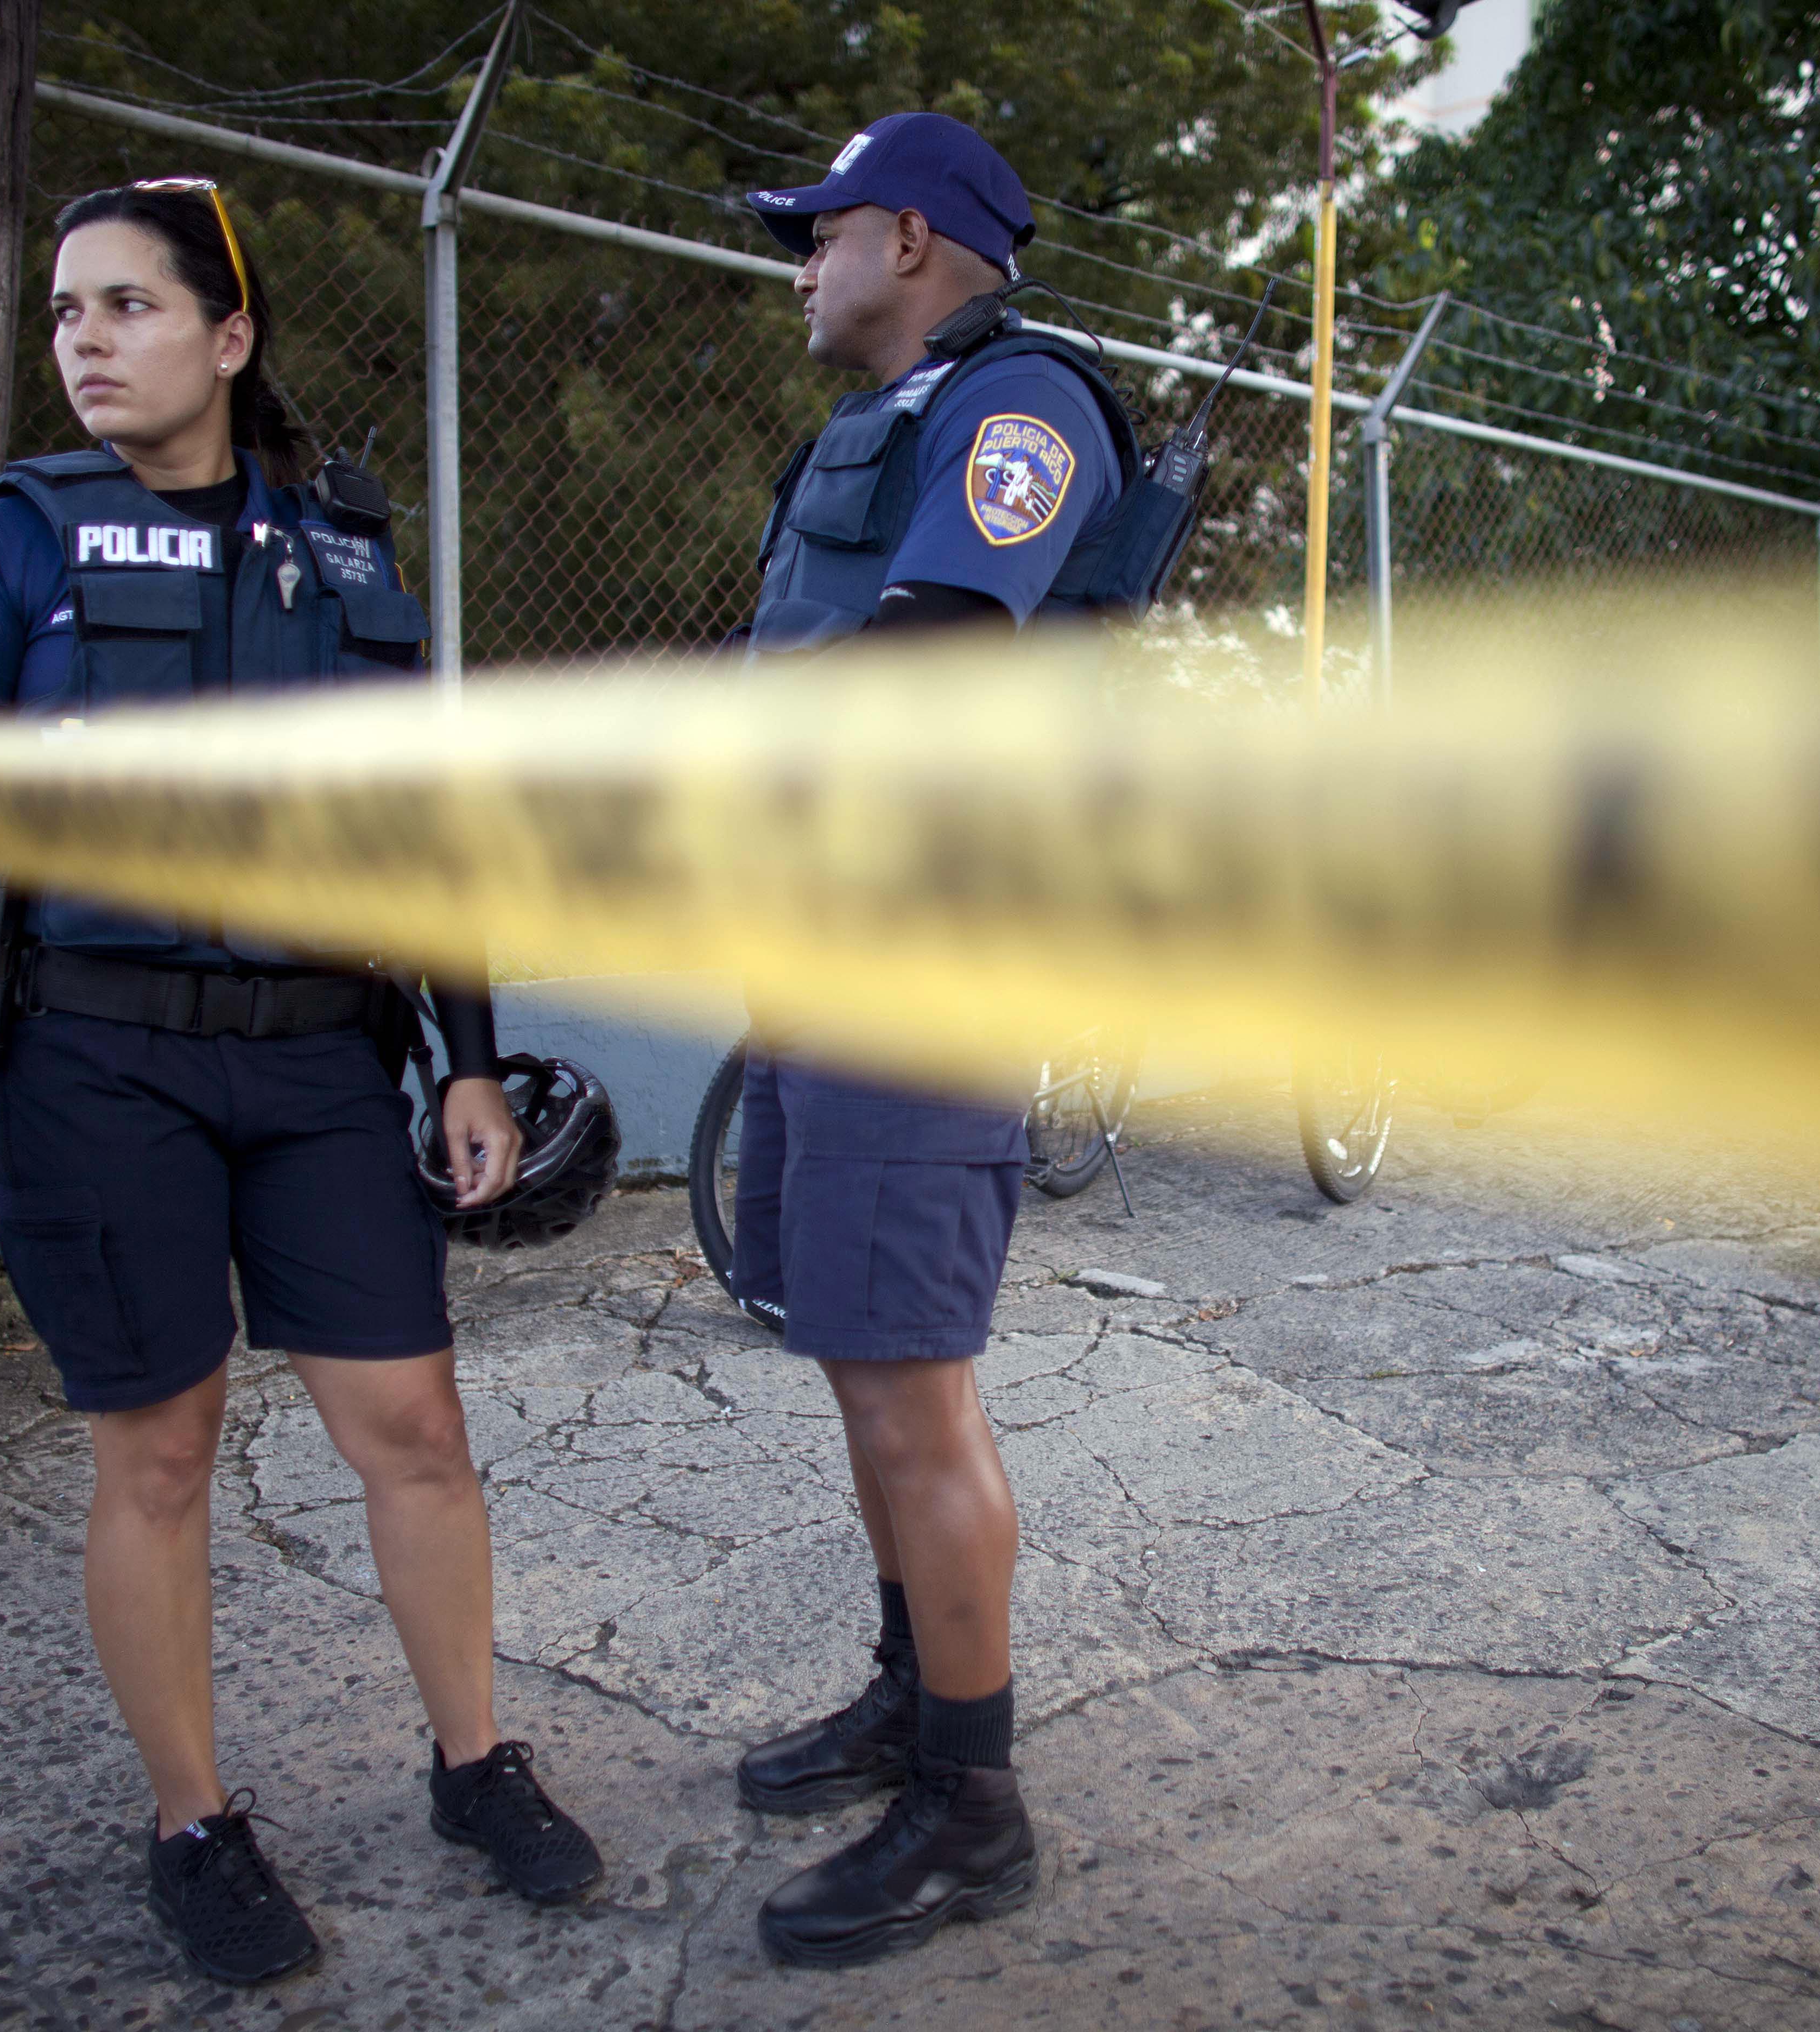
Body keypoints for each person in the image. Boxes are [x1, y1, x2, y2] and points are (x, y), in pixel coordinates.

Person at [0, 179, 601, 1986]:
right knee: (161, 1450)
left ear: (228, 335)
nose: (88, 343)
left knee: (413, 1429)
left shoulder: (345, 554)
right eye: (66, 314)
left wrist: (471, 1057)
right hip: (96, 1061)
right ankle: (194, 1820)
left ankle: (471, 1760)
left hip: (320, 1063)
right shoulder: (17, 538)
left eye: (127, 306)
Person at [726, 112, 1137, 1967]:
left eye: (815, 231)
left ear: (907, 235)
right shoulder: (882, 422)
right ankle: (914, 1692)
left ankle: (972, 1803)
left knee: (910, 1380)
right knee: (852, 1357)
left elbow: (935, 644)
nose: (796, 259)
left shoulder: (1021, 405)